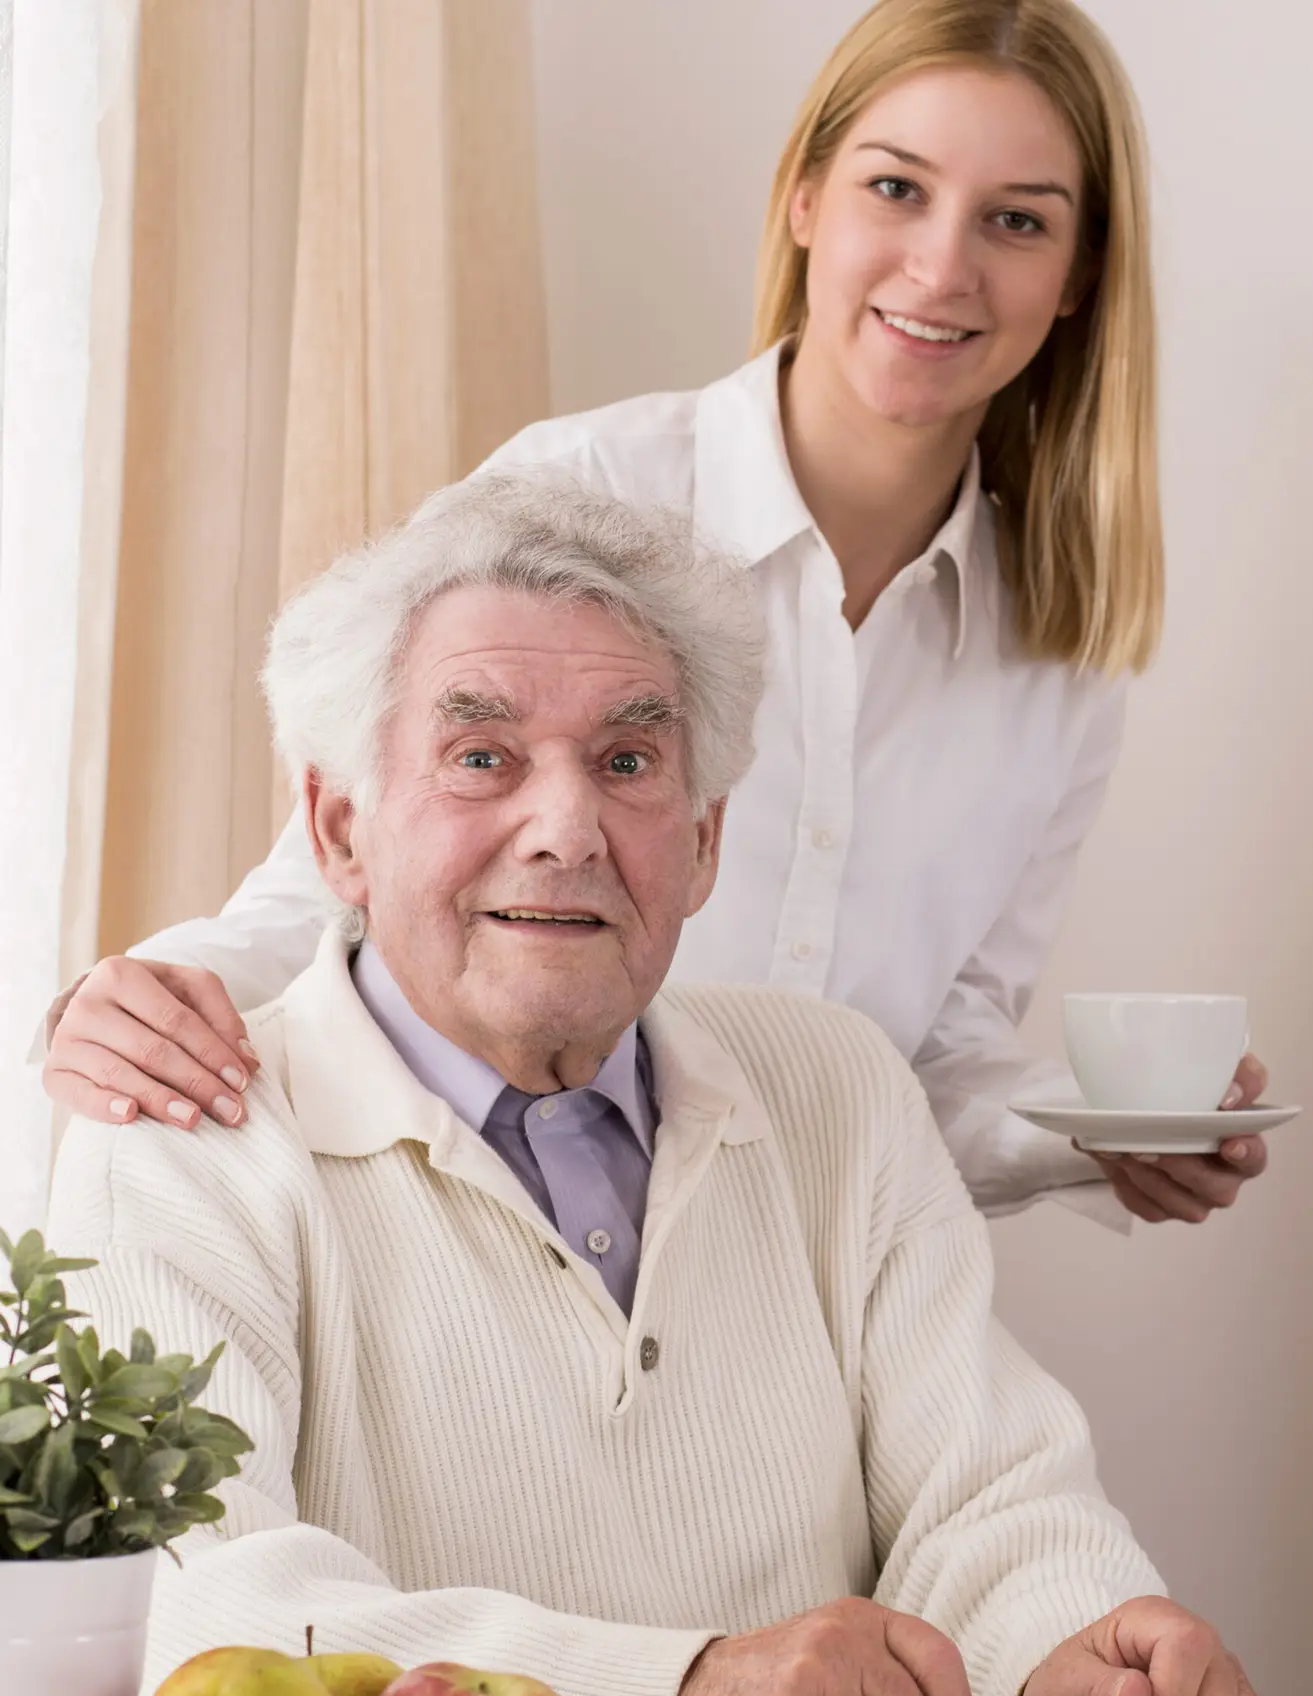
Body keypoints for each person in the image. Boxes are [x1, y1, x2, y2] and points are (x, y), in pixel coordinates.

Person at [47, 474, 1266, 1696]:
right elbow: (198, 1604)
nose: (566, 829)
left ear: (700, 843)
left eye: (627, 763)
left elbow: (986, 1500)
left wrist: (1071, 1655)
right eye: (480, 757)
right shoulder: (183, 1136)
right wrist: (683, 1695)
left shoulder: (833, 1086)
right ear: (342, 829)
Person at [41, 0, 1271, 1229]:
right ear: (803, 198)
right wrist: (152, 998)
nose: (942, 268)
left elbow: (932, 1065)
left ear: (1078, 275)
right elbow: (342, 879)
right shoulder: (574, 493)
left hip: (800, 1281)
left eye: (1015, 220)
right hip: (481, 1232)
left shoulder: (1055, 656)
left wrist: (1096, 1134)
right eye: (896, 189)